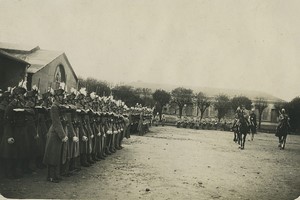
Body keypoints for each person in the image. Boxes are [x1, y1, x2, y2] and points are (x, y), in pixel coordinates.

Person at [43, 87, 68, 183]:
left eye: (62, 95)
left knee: (56, 155)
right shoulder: (54, 107)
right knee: (52, 155)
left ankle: (55, 175)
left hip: (57, 132)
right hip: (54, 133)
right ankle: (51, 176)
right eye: (61, 96)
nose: (62, 97)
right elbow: (56, 122)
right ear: (56, 97)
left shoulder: (59, 106)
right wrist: (63, 135)